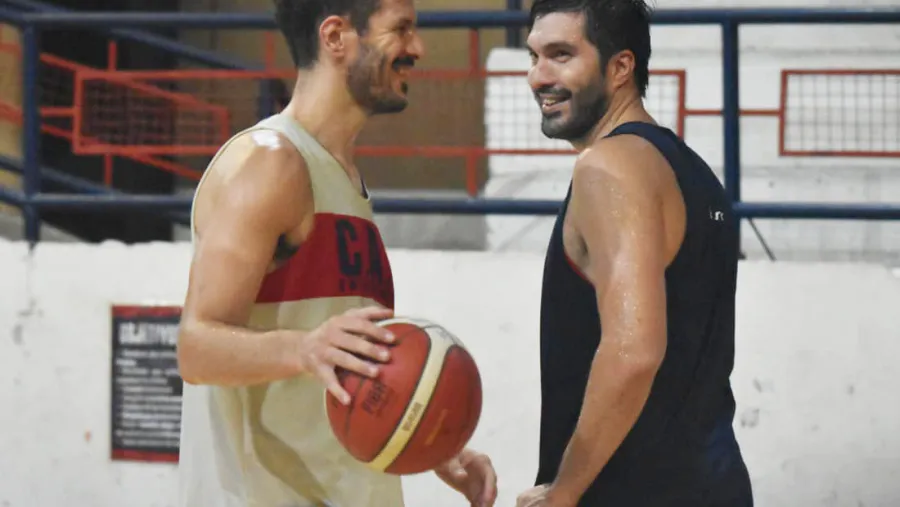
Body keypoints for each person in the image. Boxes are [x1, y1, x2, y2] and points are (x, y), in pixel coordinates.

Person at [175, 1, 497, 506]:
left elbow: (345, 366)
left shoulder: (342, 181)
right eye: (402, 30)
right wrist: (304, 349)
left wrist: (424, 436)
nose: (418, 48)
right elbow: (195, 347)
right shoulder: (272, 163)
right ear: (336, 37)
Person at [514, 1, 753, 506]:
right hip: (716, 483)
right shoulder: (693, 172)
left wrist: (565, 491)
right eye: (533, 56)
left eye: (560, 55)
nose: (538, 76)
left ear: (621, 67)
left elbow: (634, 350)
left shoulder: (608, 167)